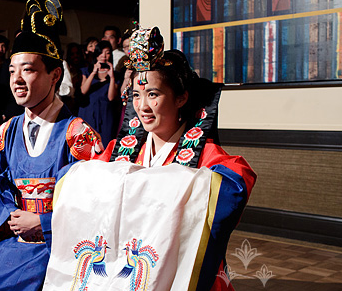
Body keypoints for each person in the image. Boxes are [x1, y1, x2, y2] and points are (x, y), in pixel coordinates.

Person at [60, 26, 256, 290]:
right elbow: (78, 186)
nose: (142, 107)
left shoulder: (203, 154)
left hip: (179, 271)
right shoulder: (120, 151)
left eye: (153, 94)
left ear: (181, 98)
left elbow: (234, 186)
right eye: (136, 95)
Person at [0, 0, 103, 291]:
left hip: (61, 250)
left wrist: (45, 222)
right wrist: (13, 220)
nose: (17, 80)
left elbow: (96, 204)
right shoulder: (4, 134)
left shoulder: (78, 135)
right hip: (14, 244)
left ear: (55, 75)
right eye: (12, 71)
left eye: (28, 69)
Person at [78, 40, 120, 147]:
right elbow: (83, 91)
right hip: (88, 112)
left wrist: (111, 77)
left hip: (106, 115)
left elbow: (111, 97)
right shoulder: (86, 71)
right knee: (87, 146)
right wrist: (93, 72)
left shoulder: (115, 75)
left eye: (107, 53)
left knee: (105, 146)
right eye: (101, 52)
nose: (104, 56)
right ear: (96, 54)